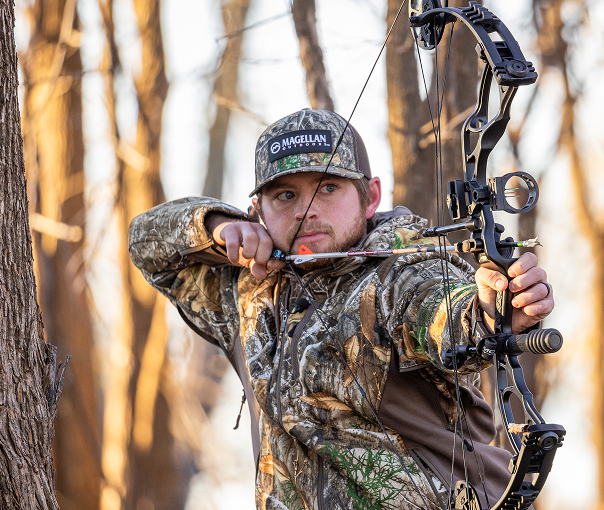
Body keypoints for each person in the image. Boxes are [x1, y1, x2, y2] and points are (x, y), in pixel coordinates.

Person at [129, 109, 554, 509]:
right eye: (285, 195)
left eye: (328, 188)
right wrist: (216, 227)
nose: (306, 210)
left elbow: (440, 310)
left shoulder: (398, 275)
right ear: (257, 211)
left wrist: (489, 311)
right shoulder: (249, 291)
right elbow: (145, 243)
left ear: (370, 197)